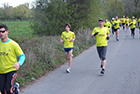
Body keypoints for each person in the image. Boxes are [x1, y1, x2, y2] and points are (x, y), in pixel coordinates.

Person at [0, 24, 26, 94]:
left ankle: (13, 89)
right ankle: (15, 88)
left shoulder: (13, 44)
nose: (1, 33)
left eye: (3, 31)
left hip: (11, 70)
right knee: (2, 90)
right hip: (1, 71)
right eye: (0, 32)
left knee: (8, 90)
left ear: (7, 32)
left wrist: (18, 63)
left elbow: (22, 56)